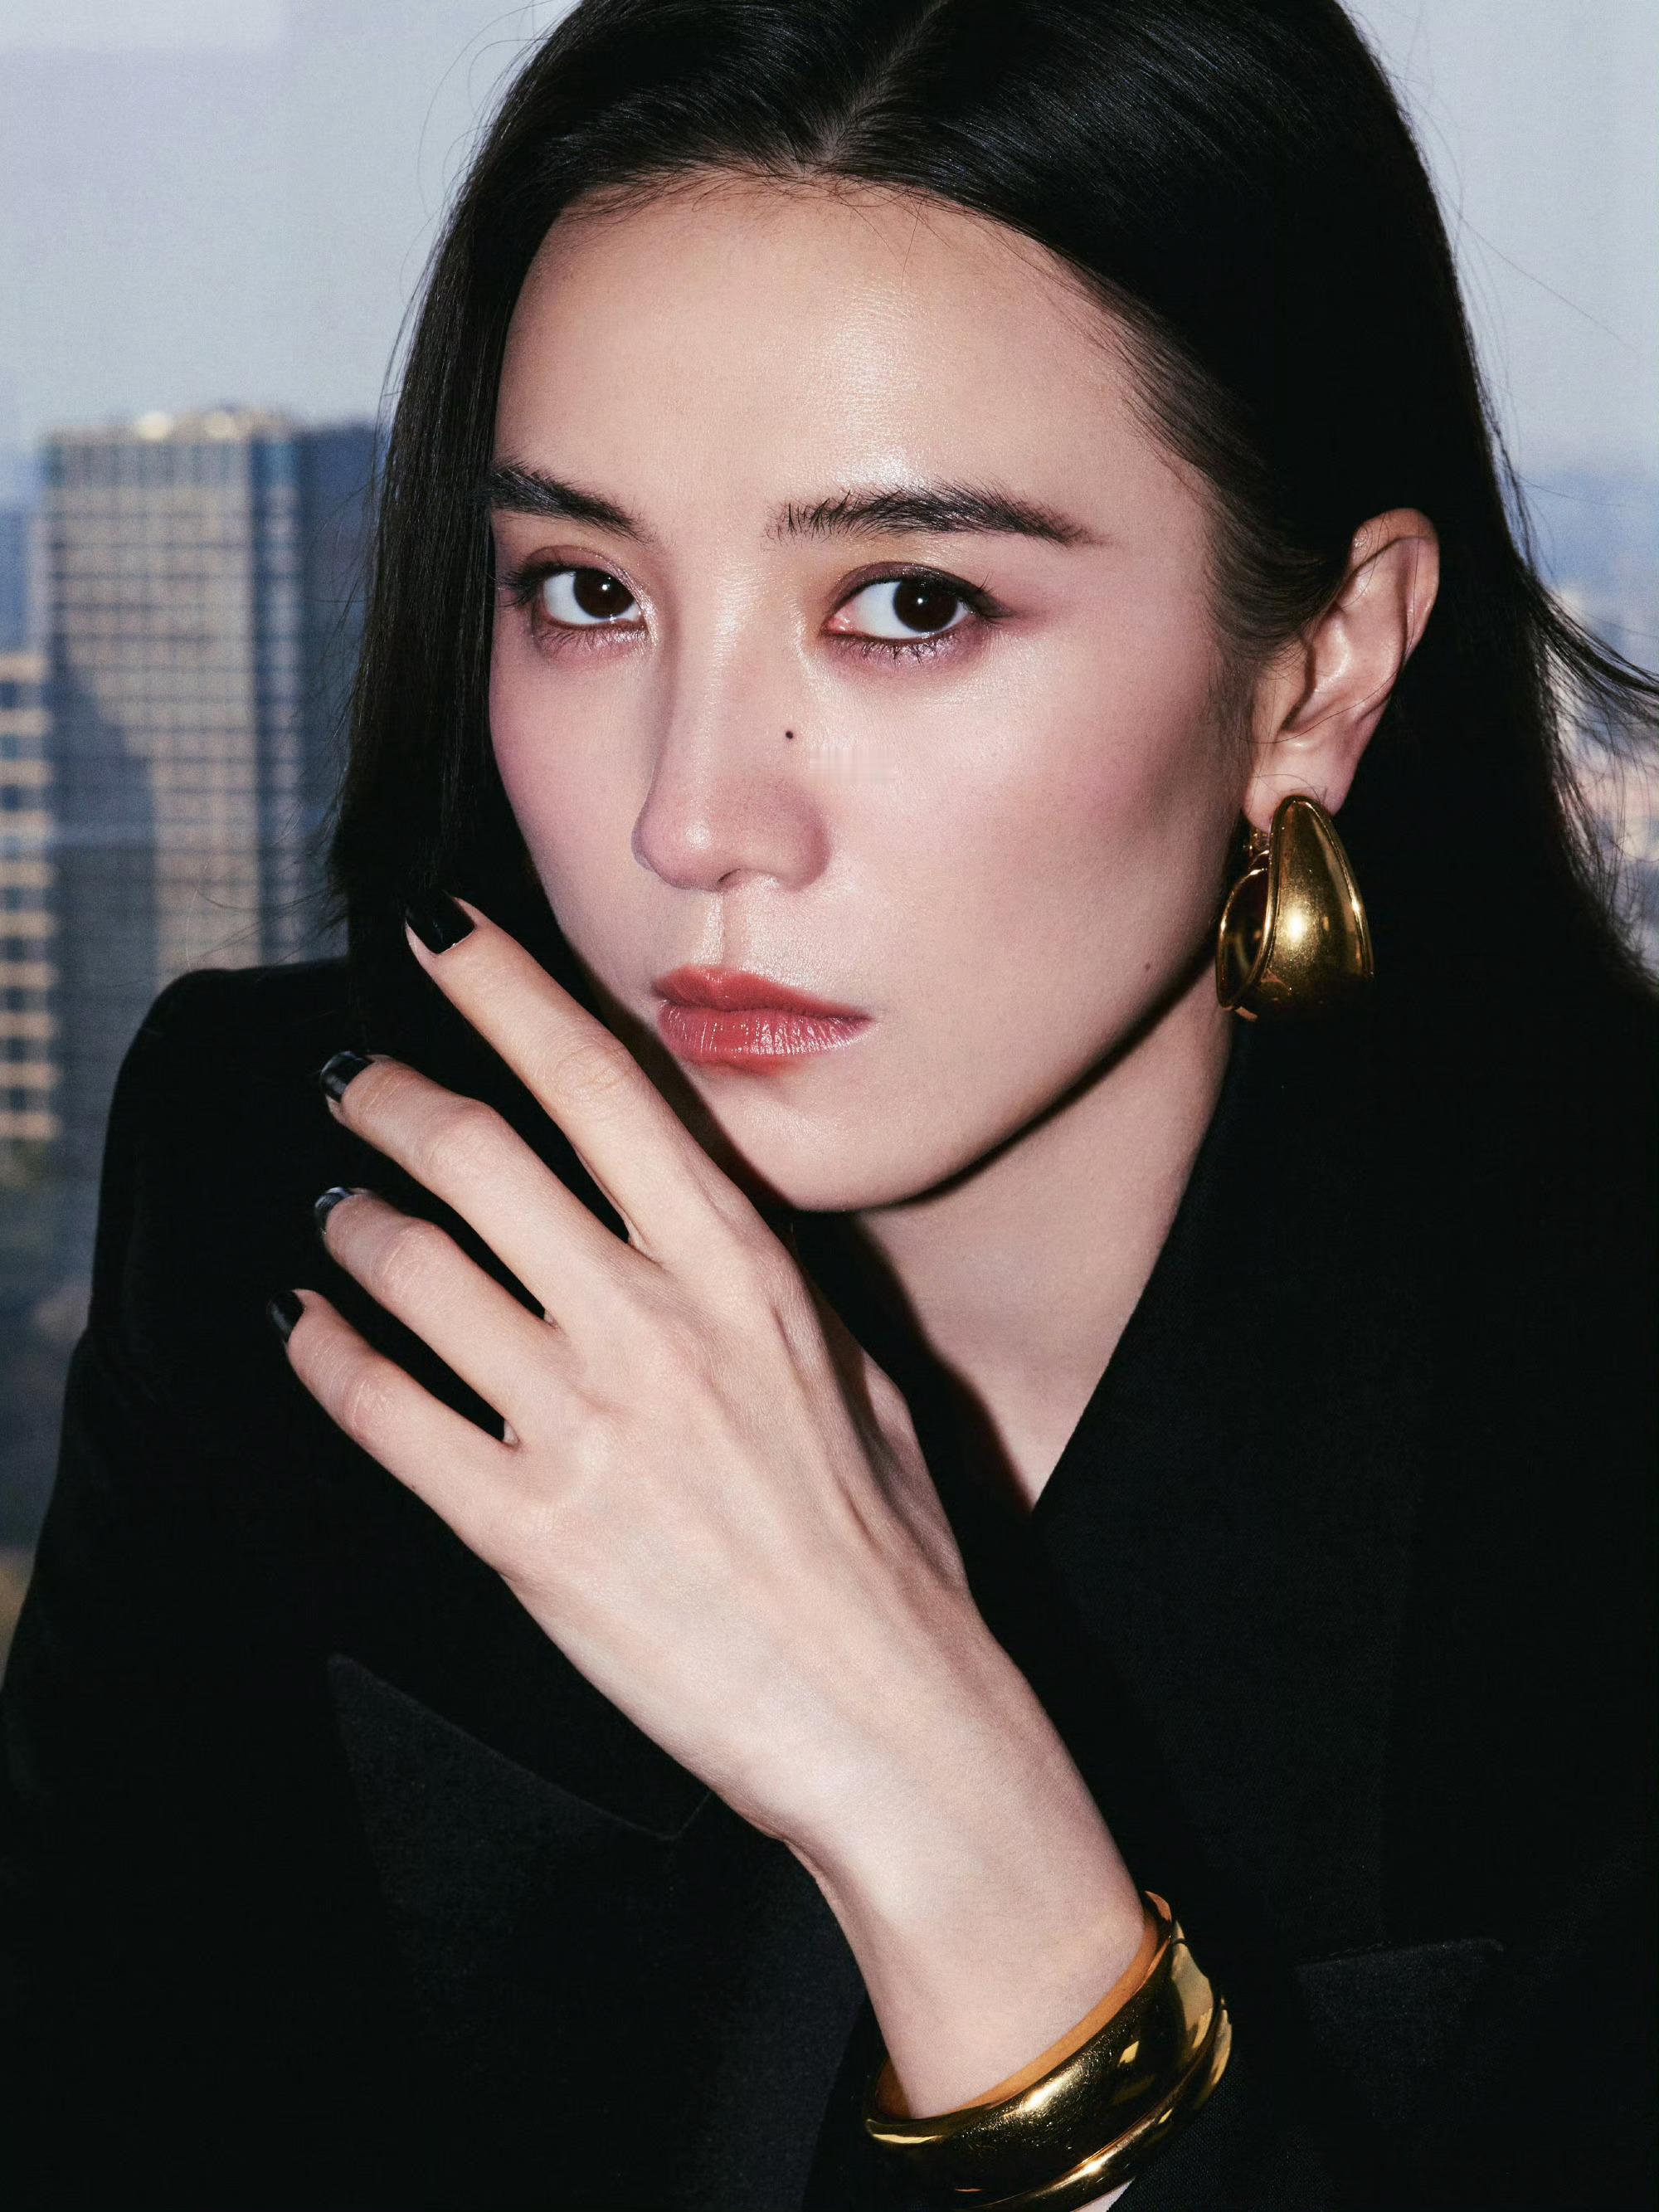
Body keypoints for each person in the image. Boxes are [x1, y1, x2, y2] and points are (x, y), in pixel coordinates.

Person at [2, 1, 1655, 2205]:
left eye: (907, 603)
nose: (691, 817)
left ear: (1321, 667)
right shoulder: (288, 1203)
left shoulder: (1596, 1417)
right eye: (587, 592)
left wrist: (932, 1794)